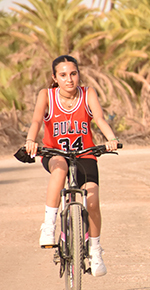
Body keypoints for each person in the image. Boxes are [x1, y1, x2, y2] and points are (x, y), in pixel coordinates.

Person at [24, 55, 119, 277]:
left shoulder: (88, 94)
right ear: (54, 77)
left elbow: (100, 119)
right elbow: (37, 121)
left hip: (84, 154)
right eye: (63, 75)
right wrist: (31, 140)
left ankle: (95, 250)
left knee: (93, 201)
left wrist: (111, 139)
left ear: (78, 74)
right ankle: (49, 225)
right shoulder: (46, 95)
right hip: (55, 153)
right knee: (60, 169)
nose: (70, 79)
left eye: (73, 74)